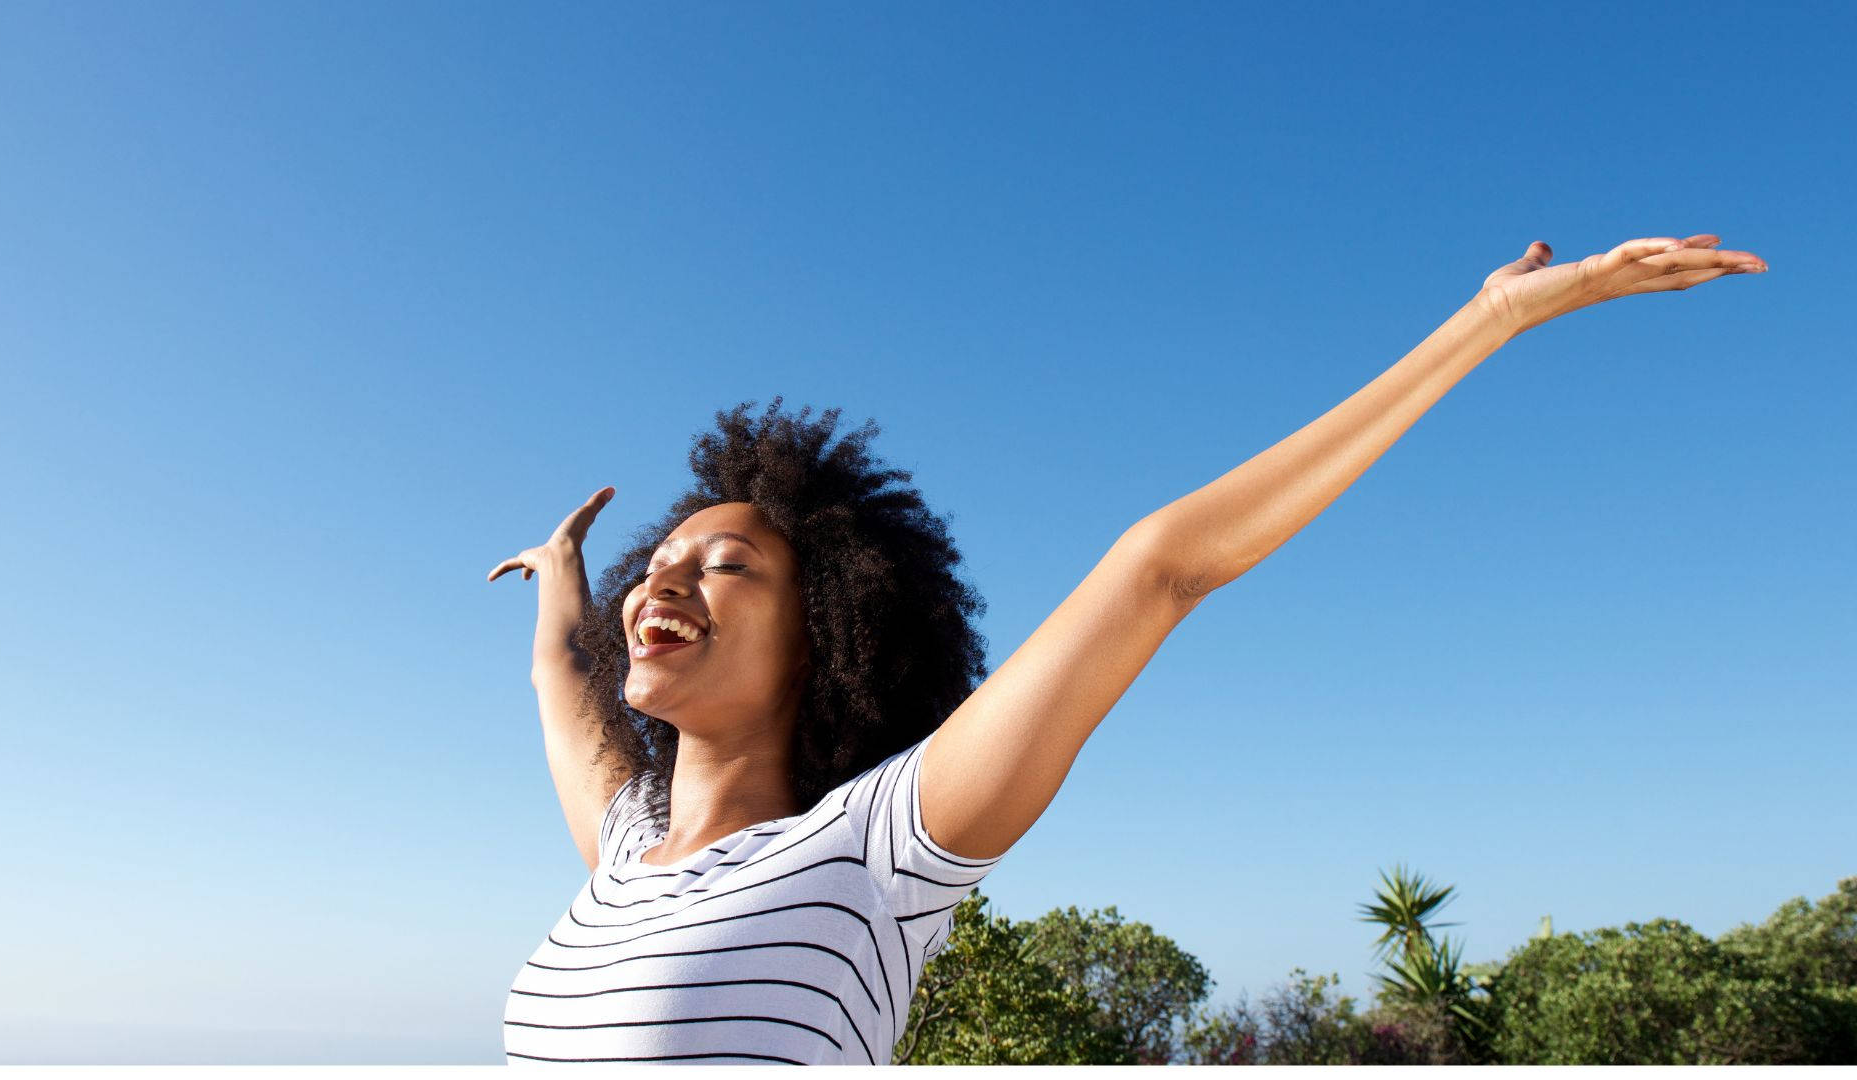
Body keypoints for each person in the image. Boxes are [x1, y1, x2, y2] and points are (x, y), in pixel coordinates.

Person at [486, 235, 1766, 1065]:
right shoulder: (625, 844)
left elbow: (1161, 568)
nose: (667, 582)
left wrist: (1485, 322)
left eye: (726, 566)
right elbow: (560, 677)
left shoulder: (872, 852)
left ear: (828, 634)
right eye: (657, 568)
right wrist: (565, 575)